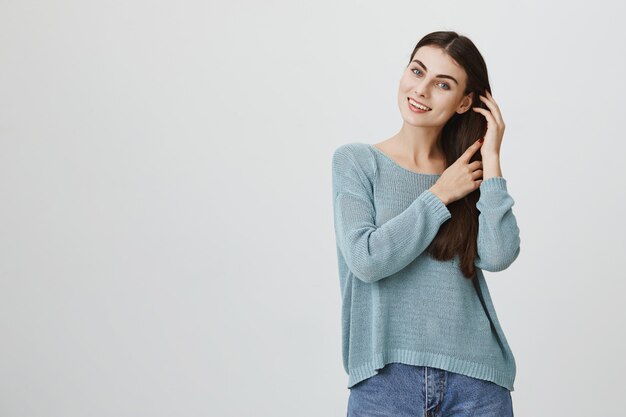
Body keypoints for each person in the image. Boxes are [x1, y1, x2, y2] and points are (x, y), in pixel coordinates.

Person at [331, 31, 521, 416]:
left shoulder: (469, 175)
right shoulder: (356, 162)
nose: (422, 90)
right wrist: (439, 195)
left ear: (465, 102)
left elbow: (498, 255)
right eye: (417, 71)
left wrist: (493, 158)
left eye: (442, 84)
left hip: (476, 382)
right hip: (385, 382)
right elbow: (366, 259)